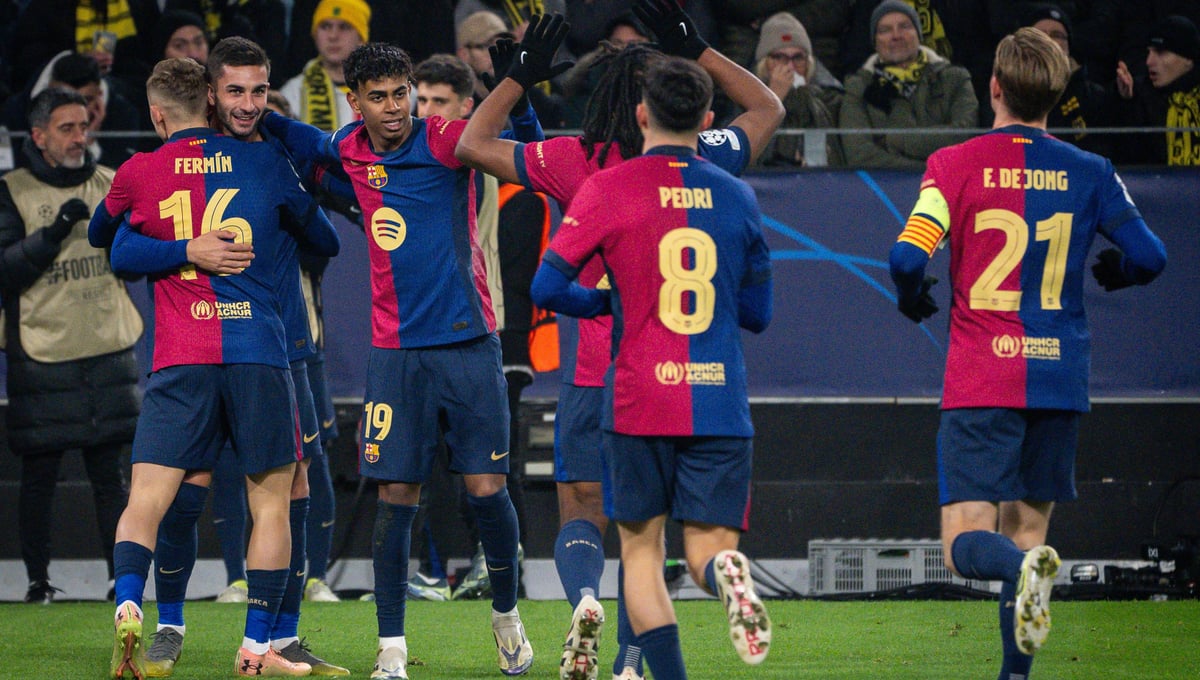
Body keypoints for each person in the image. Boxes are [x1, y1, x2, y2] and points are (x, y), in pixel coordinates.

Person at [455, 4, 783, 679]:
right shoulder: (717, 162)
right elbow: (768, 107)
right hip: (705, 379)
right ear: (697, 111)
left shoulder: (581, 162)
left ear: (627, 107)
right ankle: (633, 663)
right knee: (659, 538)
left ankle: (583, 600)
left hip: (605, 371)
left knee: (593, 514)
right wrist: (698, 49)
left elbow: (471, 143)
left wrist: (518, 79)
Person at [887, 27, 1167, 680]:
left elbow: (905, 257)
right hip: (1058, 376)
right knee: (1029, 533)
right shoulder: (1092, 172)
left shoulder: (953, 165)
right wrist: (1122, 273)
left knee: (964, 544)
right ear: (1056, 94)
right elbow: (1152, 256)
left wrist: (911, 295)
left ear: (994, 87)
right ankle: (1016, 672)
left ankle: (1019, 571)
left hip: (983, 375)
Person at [262, 41, 532, 679]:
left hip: (468, 343)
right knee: (395, 495)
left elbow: (523, 151)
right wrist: (245, 114)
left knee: (487, 490)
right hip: (395, 353)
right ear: (354, 102)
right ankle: (392, 649)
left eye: (400, 93)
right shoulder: (348, 147)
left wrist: (521, 87)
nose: (394, 108)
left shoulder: (445, 140)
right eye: (378, 97)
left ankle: (506, 614)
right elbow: (299, 138)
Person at [89, 56, 339, 679]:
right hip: (259, 351)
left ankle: (131, 603)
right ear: (211, 98)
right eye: (236, 91)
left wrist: (180, 249)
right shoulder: (266, 162)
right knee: (273, 502)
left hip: (182, 355)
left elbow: (106, 239)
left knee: (149, 498)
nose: (249, 103)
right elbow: (328, 239)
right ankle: (256, 649)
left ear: (156, 114)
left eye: (258, 91)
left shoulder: (139, 170)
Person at [531, 55, 775, 680]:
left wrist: (604, 302)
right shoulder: (738, 194)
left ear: (643, 115)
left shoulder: (609, 188)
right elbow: (758, 313)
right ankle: (725, 573)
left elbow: (546, 287)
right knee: (704, 551)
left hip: (639, 396)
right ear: (708, 119)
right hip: (719, 399)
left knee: (640, 552)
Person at [405, 52, 546, 603]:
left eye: (440, 101)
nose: (427, 110)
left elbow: (534, 154)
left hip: (488, 327)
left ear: (468, 106)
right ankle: (432, 571)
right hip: (427, 326)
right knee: (428, 456)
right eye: (422, 99)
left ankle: (504, 565)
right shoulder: (407, 155)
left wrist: (518, 94)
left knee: (489, 458)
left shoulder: (475, 151)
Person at [0, 87, 142, 605]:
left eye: (84, 126)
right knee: (40, 476)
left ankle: (120, 580)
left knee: (111, 477)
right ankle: (37, 582)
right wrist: (54, 231)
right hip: (43, 353)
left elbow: (137, 258)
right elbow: (5, 270)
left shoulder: (111, 182)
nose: (80, 137)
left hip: (107, 348)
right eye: (67, 128)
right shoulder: (12, 190)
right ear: (38, 137)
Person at [838, 0, 978, 169]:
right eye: (885, 30)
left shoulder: (954, 78)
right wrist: (927, 171)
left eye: (905, 26)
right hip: (886, 184)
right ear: (875, 41)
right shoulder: (858, 87)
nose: (896, 35)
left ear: (918, 34)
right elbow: (860, 155)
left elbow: (965, 137)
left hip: (951, 182)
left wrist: (896, 140)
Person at [748, 11, 844, 166]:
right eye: (779, 57)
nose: (790, 67)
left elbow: (832, 160)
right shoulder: (745, 99)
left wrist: (805, 97)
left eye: (798, 57)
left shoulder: (830, 98)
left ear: (809, 63)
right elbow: (746, 158)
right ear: (764, 64)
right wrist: (774, 99)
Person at [1023, 3, 1113, 157]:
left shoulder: (1093, 95)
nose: (1049, 41)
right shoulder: (1008, 93)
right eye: (1040, 35)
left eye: (1057, 35)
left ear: (1069, 46)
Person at [1112, 14, 1200, 165]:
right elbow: (1130, 161)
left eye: (1160, 53)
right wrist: (1127, 102)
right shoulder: (1140, 94)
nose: (1149, 61)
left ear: (1188, 59)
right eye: (1149, 52)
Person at [280, 0, 370, 132]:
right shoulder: (293, 93)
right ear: (315, 35)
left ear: (361, 38)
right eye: (325, 26)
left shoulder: (385, 89)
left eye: (344, 27)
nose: (333, 36)